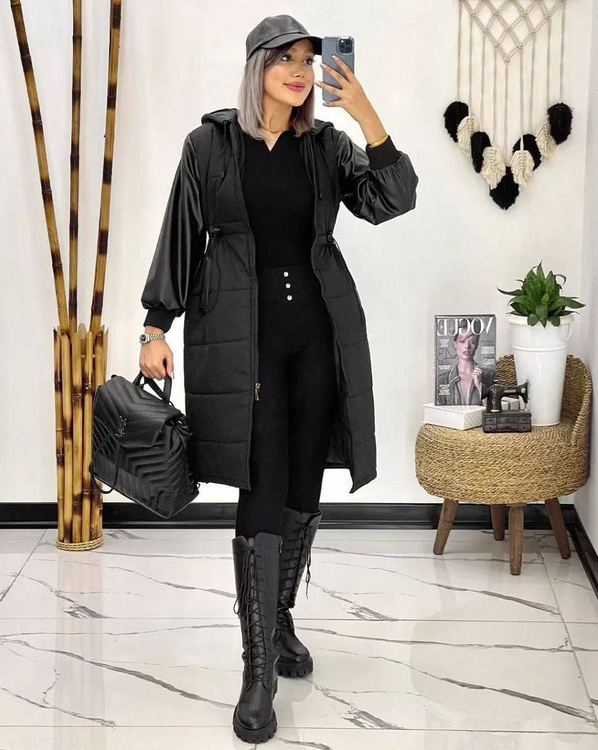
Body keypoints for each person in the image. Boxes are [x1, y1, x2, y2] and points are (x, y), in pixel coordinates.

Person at [139, 14, 419, 744]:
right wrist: (154, 328)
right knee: (262, 483)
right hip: (244, 344)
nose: (298, 71)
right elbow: (180, 233)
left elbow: (394, 198)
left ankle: (281, 618)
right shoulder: (210, 146)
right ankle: (258, 668)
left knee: (302, 483)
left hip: (317, 340)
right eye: (284, 59)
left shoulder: (325, 145)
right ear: (256, 67)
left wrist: (365, 113)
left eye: (307, 60)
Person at [436, 319, 496, 405]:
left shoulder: (490, 376)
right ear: (455, 344)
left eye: (472, 342)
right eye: (462, 341)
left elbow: (492, 408)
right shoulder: (442, 380)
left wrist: (479, 387)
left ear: (477, 345)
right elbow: (439, 410)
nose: (467, 346)